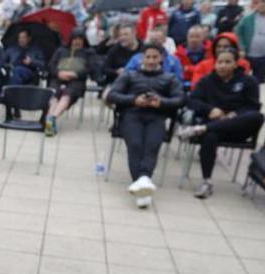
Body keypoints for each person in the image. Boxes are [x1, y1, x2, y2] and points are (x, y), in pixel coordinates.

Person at [107, 44, 185, 208]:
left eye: (154, 57)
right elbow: (113, 94)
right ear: (142, 58)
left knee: (151, 146)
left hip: (156, 116)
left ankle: (141, 184)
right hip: (132, 115)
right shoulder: (129, 75)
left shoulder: (170, 78)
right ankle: (143, 182)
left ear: (161, 59)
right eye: (148, 57)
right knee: (135, 145)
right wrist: (133, 100)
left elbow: (180, 100)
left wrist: (161, 102)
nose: (151, 61)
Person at [180, 48, 264, 198]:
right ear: (215, 63)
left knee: (257, 117)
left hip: (237, 128)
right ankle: (207, 182)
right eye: (220, 62)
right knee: (210, 136)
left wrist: (236, 114)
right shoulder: (207, 81)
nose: (223, 65)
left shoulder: (249, 81)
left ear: (236, 64)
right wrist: (210, 109)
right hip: (214, 125)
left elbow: (253, 107)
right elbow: (192, 101)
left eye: (227, 62)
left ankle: (201, 128)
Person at [44, 29, 93, 137]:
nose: (77, 42)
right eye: (75, 39)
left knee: (67, 95)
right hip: (58, 78)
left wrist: (75, 74)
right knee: (54, 94)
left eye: (80, 39)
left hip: (76, 80)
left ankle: (52, 118)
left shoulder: (88, 53)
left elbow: (90, 68)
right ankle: (49, 119)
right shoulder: (61, 51)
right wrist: (58, 73)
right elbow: (51, 65)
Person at [233, 0, 265, 81]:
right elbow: (237, 31)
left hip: (263, 57)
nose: (262, 5)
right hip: (248, 55)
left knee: (260, 81)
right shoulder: (248, 18)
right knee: (246, 79)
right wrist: (242, 47)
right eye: (261, 2)